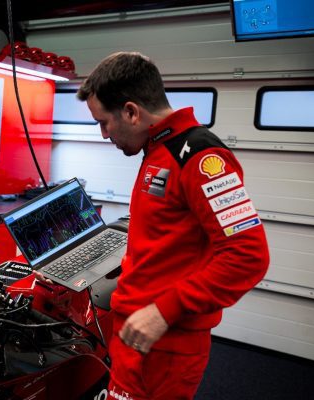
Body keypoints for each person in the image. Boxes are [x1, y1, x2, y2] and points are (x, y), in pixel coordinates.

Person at [76, 52, 270, 400]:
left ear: (132, 112)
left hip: (164, 345)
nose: (104, 134)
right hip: (136, 333)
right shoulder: (158, 147)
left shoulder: (200, 158)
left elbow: (248, 255)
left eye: (103, 122)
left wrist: (163, 312)